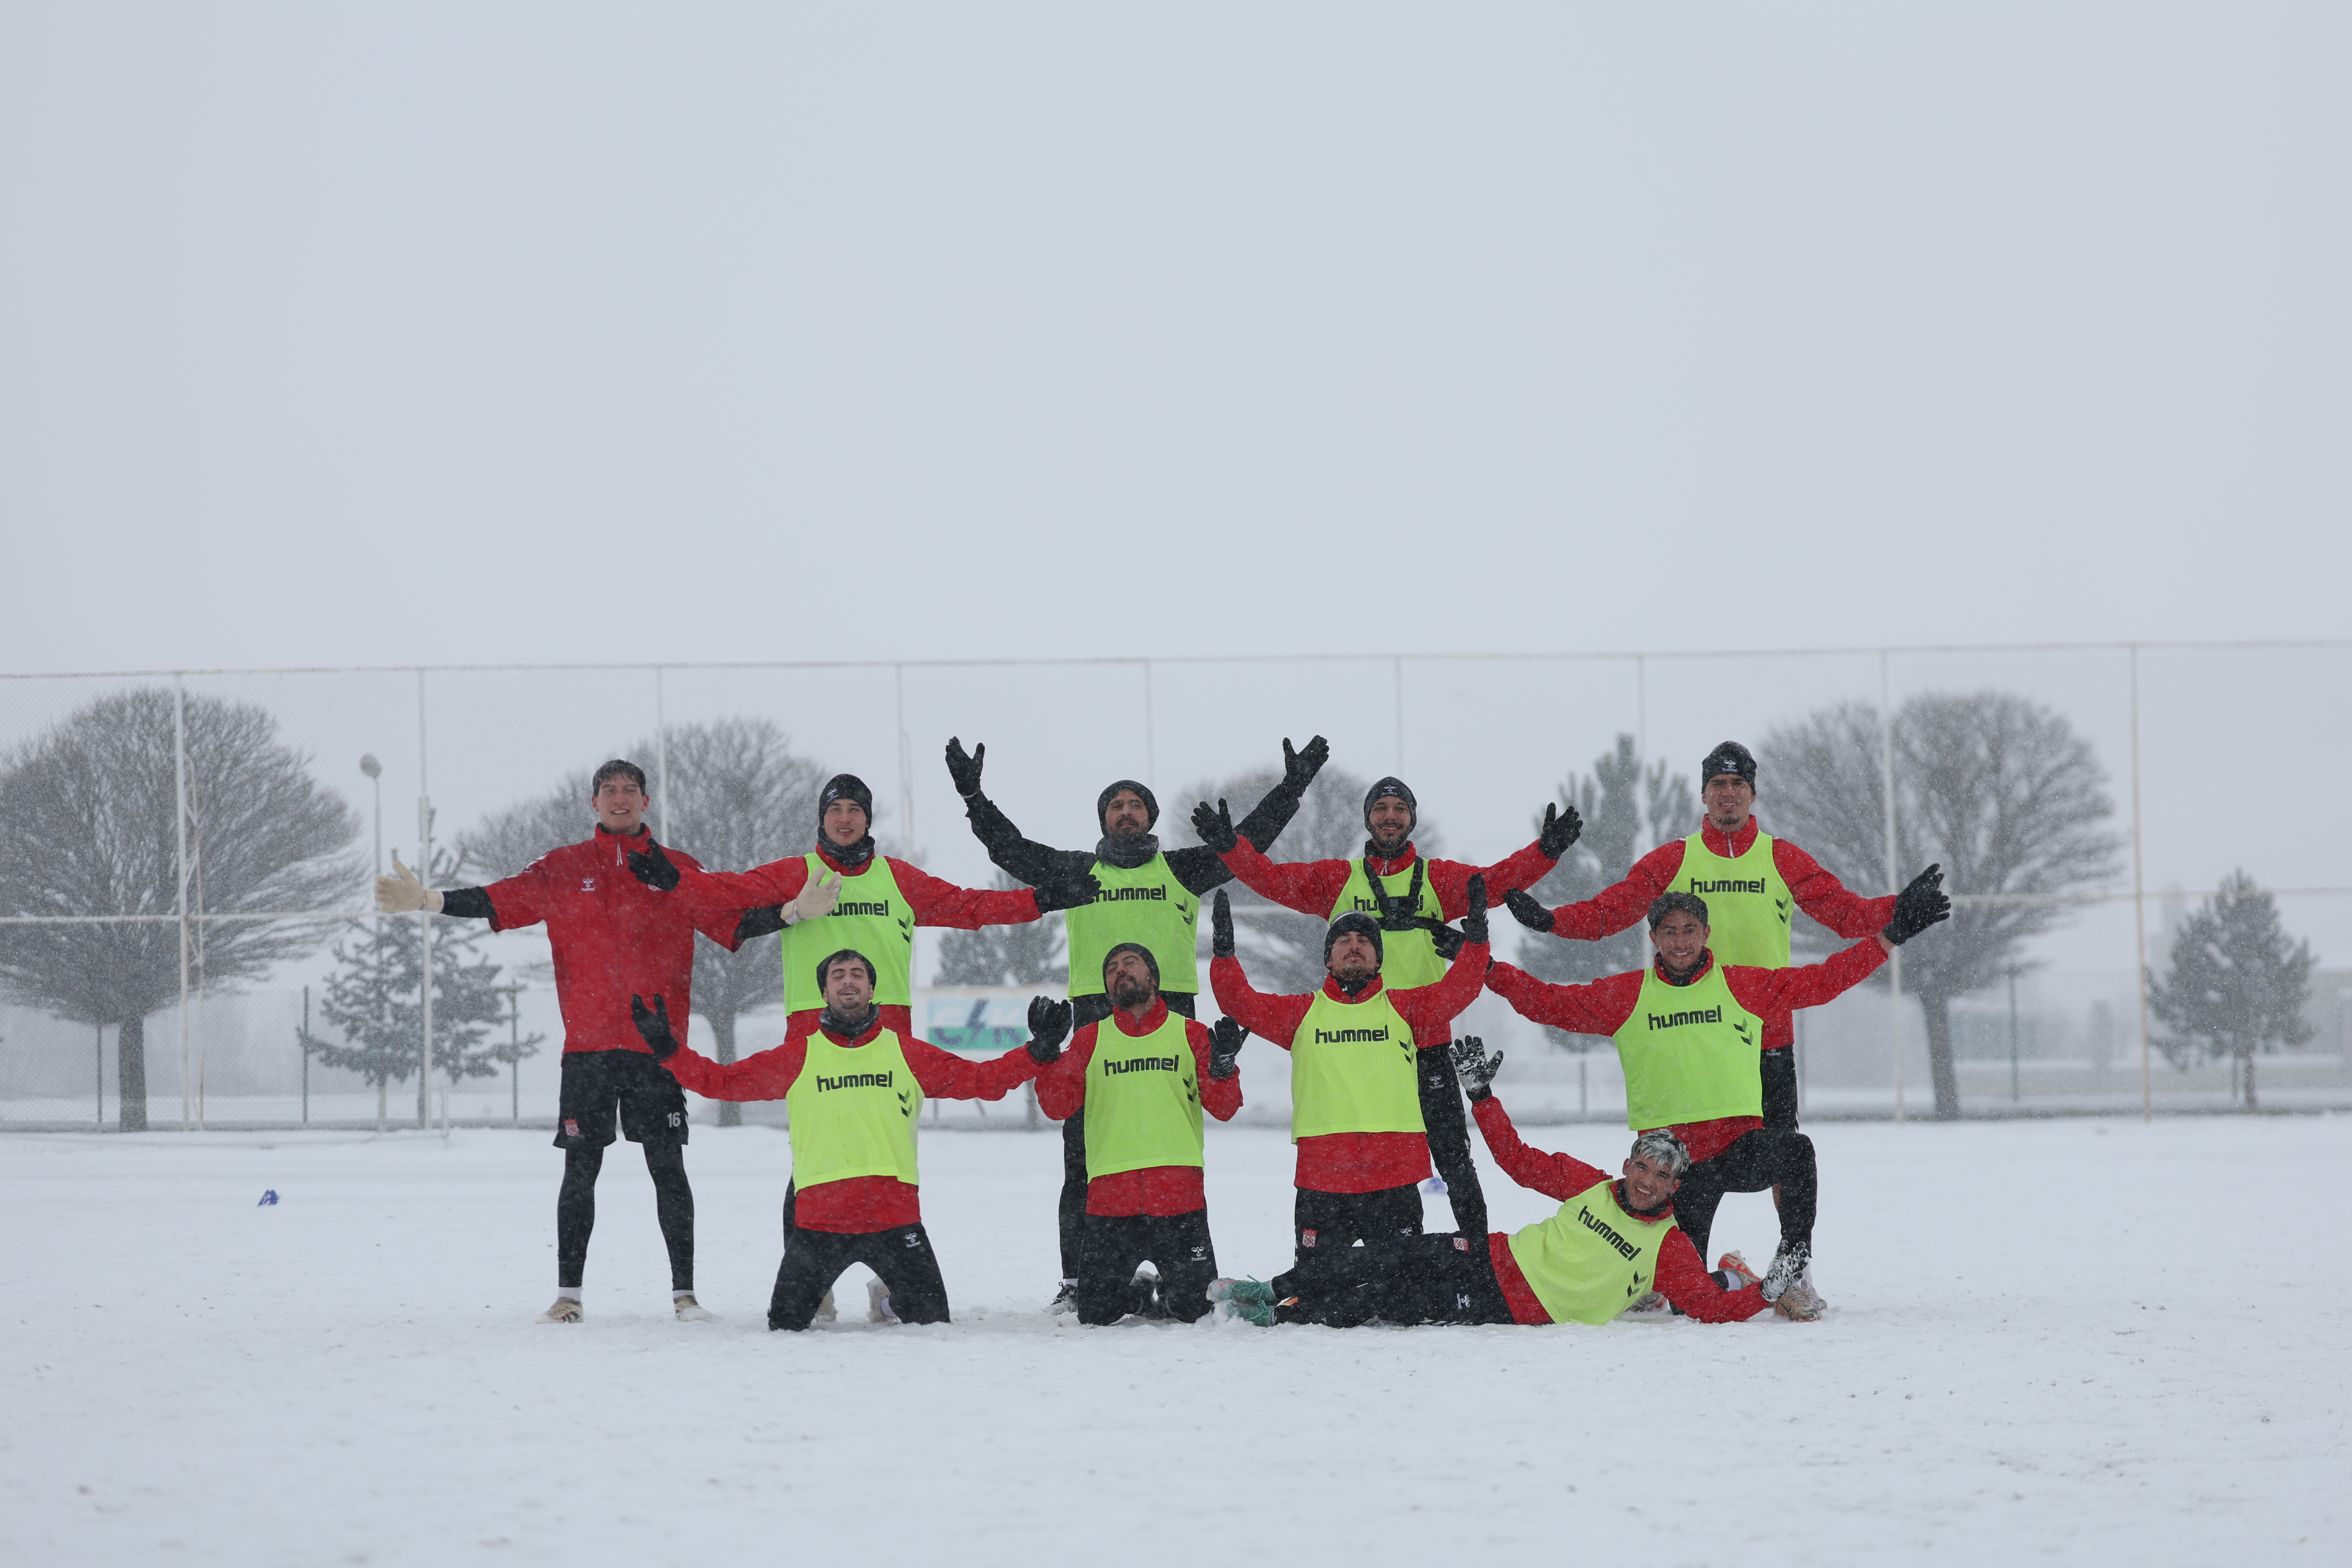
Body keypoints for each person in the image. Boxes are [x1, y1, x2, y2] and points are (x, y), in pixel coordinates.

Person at [944, 734, 1325, 1307]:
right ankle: (1079, 1282)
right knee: (1084, 1157)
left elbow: (1245, 843)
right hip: (1097, 1016)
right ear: (1103, 819)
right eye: (1115, 806)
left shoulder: (1181, 869)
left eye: (1135, 805)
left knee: (1171, 1148)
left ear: (1150, 817)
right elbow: (1012, 851)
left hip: (1173, 1016)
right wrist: (973, 796)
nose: (1125, 812)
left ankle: (1180, 1268)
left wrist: (1292, 788)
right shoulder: (1078, 873)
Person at [376, 759, 748, 1324]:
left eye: (630, 790)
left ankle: (686, 1296)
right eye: (609, 791)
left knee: (668, 1168)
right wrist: (429, 900)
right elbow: (499, 898)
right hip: (589, 1050)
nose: (619, 799)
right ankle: (568, 1295)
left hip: (658, 1048)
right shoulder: (563, 869)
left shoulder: (678, 869)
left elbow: (732, 915)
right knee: (580, 1170)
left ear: (647, 802)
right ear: (594, 803)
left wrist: (796, 911)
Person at [1484, 872, 1950, 1314]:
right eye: (1669, 931)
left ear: (1707, 933)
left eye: (1690, 930)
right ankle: (1729, 1277)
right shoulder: (1627, 995)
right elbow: (1548, 1003)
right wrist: (1484, 967)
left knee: (1795, 1149)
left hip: (1735, 1148)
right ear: (1653, 938)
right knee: (1687, 1300)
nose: (1681, 941)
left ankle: (1791, 1266)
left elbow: (1825, 979)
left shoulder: (1744, 985)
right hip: (1677, 1171)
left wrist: (1889, 937)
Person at [1190, 774, 1578, 1238]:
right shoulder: (1338, 879)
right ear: (1368, 819)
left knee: (1453, 1156)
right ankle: (1359, 1239)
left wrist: (1546, 853)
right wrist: (1232, 847)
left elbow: (1496, 882)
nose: (1390, 817)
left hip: (1425, 1035)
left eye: (1399, 809)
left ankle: (1477, 1253)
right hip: (1357, 1044)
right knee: (1365, 1152)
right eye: (1380, 809)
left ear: (1412, 818)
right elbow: (1274, 880)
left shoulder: (1440, 878)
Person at [632, 949, 1069, 1330]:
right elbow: (722, 1081)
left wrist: (1038, 1050)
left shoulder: (906, 1051)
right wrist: (669, 1050)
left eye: (857, 974)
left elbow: (982, 1081)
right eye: (838, 976)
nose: (848, 982)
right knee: (784, 1324)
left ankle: (886, 1299)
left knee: (934, 1319)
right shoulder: (800, 1055)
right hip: (820, 1223)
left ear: (872, 989)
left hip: (894, 1219)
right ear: (824, 992)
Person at [1503, 740, 1895, 1133]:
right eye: (1719, 783)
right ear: (1704, 793)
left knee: (1787, 1158)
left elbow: (1848, 915)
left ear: (1753, 794)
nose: (1728, 793)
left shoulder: (1782, 858)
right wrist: (1550, 920)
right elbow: (1610, 912)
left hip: (1765, 1031)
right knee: (1688, 1171)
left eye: (1738, 783)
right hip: (1690, 1032)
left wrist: (1901, 908)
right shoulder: (1674, 858)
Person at [1208, 1104, 1785, 1329]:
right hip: (1493, 1253)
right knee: (1383, 1256)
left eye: (1662, 1177)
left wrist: (1767, 1293)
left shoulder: (1671, 1246)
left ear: (1674, 1187)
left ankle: (1285, 1318)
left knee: (1390, 1301)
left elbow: (1708, 1307)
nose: (1647, 1182)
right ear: (1628, 1163)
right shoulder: (1593, 1185)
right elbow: (1517, 1161)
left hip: (1513, 1305)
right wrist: (1482, 1095)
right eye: (1643, 1168)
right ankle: (1271, 1287)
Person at [1207, 878, 1491, 1297]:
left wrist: (1478, 941)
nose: (1354, 945)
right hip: (1323, 1183)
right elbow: (1238, 1001)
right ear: (1328, 957)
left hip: (1394, 1180)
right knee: (1313, 1296)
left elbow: (1462, 987)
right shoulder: (1301, 1013)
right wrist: (1225, 955)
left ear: (1380, 959)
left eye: (1364, 940)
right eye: (1343, 939)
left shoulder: (1406, 1007)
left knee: (1402, 1296)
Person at [1032, 942, 1247, 1325]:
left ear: (1153, 977)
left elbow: (1224, 1107)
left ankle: (1172, 1292)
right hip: (1111, 1203)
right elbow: (1056, 1105)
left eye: (1130, 963)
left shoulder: (1191, 1033)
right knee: (1095, 1314)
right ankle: (1141, 1292)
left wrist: (1223, 1066)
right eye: (1112, 967)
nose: (1120, 970)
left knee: (1195, 1310)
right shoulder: (1089, 1039)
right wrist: (1048, 1053)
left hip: (1178, 1200)